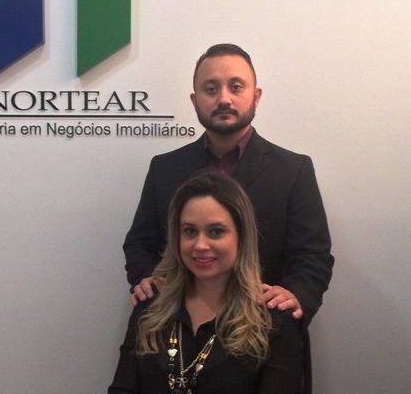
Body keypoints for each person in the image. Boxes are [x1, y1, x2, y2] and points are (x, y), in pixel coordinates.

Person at [123, 43, 334, 392]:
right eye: (211, 88)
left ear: (256, 96)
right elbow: (140, 243)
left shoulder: (293, 170)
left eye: (236, 87)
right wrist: (147, 281)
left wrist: (295, 299)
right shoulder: (165, 168)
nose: (224, 98)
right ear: (195, 100)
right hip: (178, 333)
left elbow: (313, 254)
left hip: (261, 340)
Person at [109, 172, 304, 394]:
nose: (200, 245)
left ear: (241, 237)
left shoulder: (274, 320)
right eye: (190, 231)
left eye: (216, 232)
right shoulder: (151, 304)